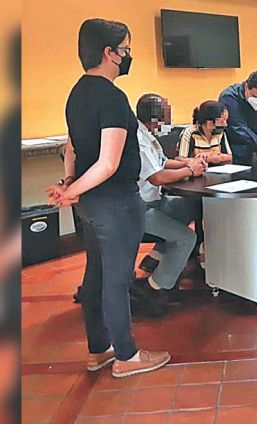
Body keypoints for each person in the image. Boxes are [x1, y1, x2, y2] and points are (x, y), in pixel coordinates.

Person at [46, 18, 169, 378]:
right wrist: (69, 191)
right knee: (117, 280)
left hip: (90, 205)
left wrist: (71, 184)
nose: (128, 55)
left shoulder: (77, 93)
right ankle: (127, 356)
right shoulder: (112, 97)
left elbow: (72, 148)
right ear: (109, 53)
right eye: (126, 49)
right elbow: (108, 162)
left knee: (97, 275)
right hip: (116, 202)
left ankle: (99, 350)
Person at [134, 93, 206, 314]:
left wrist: (189, 162)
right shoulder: (137, 140)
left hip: (156, 201)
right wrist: (190, 170)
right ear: (155, 119)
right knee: (186, 238)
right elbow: (157, 177)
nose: (170, 121)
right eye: (166, 116)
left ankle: (156, 256)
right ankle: (155, 287)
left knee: (192, 207)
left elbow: (163, 162)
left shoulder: (148, 134)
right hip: (139, 209)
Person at [177, 100, 233, 165]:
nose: (225, 124)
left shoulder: (220, 133)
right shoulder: (190, 132)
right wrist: (207, 159)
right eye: (222, 121)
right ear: (209, 122)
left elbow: (229, 157)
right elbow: (180, 160)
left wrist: (216, 156)